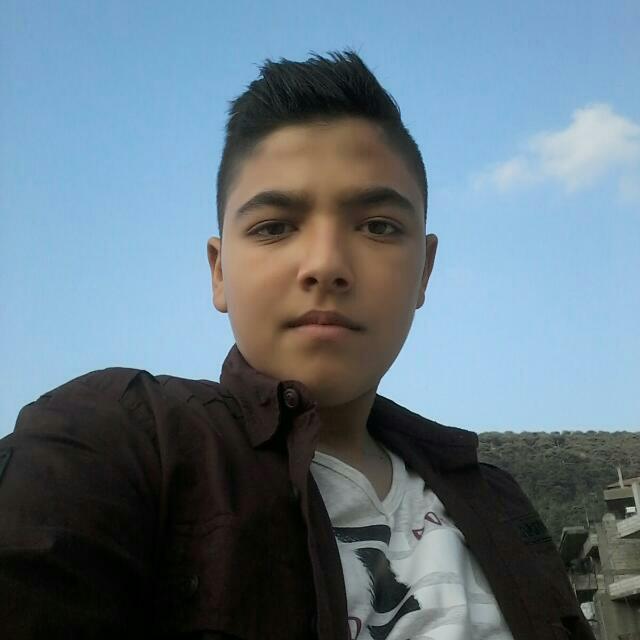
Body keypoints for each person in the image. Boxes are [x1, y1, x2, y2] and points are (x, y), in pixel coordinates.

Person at [0, 50, 593, 639]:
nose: (325, 264)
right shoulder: (119, 441)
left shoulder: (498, 500)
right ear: (219, 272)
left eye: (378, 226)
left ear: (425, 271)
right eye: (274, 227)